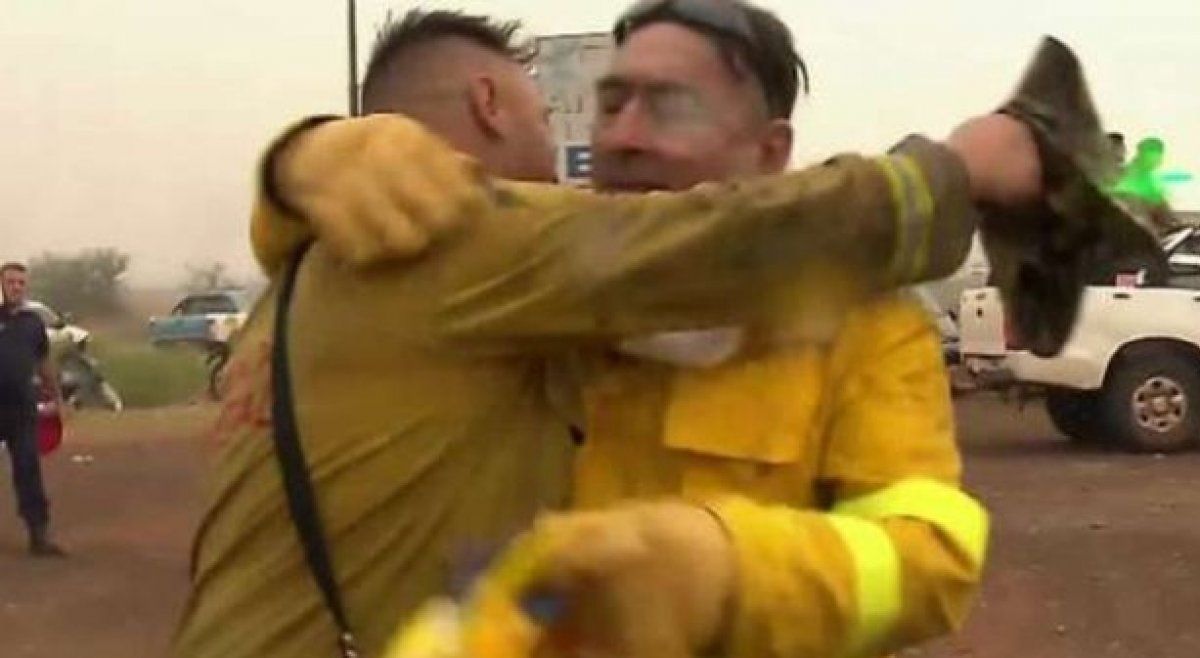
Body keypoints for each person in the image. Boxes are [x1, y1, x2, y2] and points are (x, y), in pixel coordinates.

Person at [173, 9, 1043, 658]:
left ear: (772, 152)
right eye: (609, 103)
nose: (616, 137)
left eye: (665, 106)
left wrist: (734, 567)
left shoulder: (868, 325)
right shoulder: (540, 280)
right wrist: (299, 162)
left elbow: (929, 554)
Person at [0, 262, 65, 557]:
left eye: (20, 283)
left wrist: (56, 396)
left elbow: (42, 362)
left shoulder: (32, 323)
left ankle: (39, 535)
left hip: (23, 407)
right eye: (10, 282)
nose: (15, 287)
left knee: (28, 468)